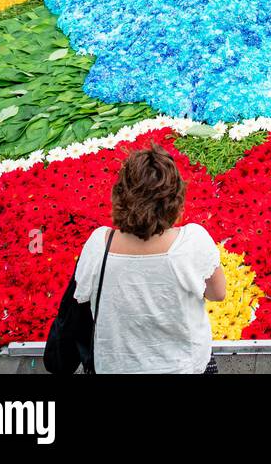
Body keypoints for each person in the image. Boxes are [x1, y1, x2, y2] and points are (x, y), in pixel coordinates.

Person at [72, 145, 226, 375]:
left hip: (114, 368)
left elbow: (82, 297)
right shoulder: (191, 243)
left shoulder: (98, 245)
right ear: (176, 199)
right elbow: (218, 293)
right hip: (185, 367)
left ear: (120, 195)